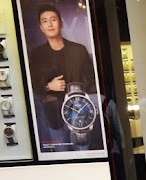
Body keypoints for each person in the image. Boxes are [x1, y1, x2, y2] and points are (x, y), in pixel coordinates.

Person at [27, 3, 95, 135]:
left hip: (80, 112)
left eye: (53, 20)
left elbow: (92, 80)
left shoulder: (79, 50)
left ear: (61, 23)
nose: (50, 24)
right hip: (54, 115)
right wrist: (48, 86)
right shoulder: (37, 54)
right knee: (61, 150)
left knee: (83, 152)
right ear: (41, 28)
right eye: (45, 21)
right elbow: (32, 85)